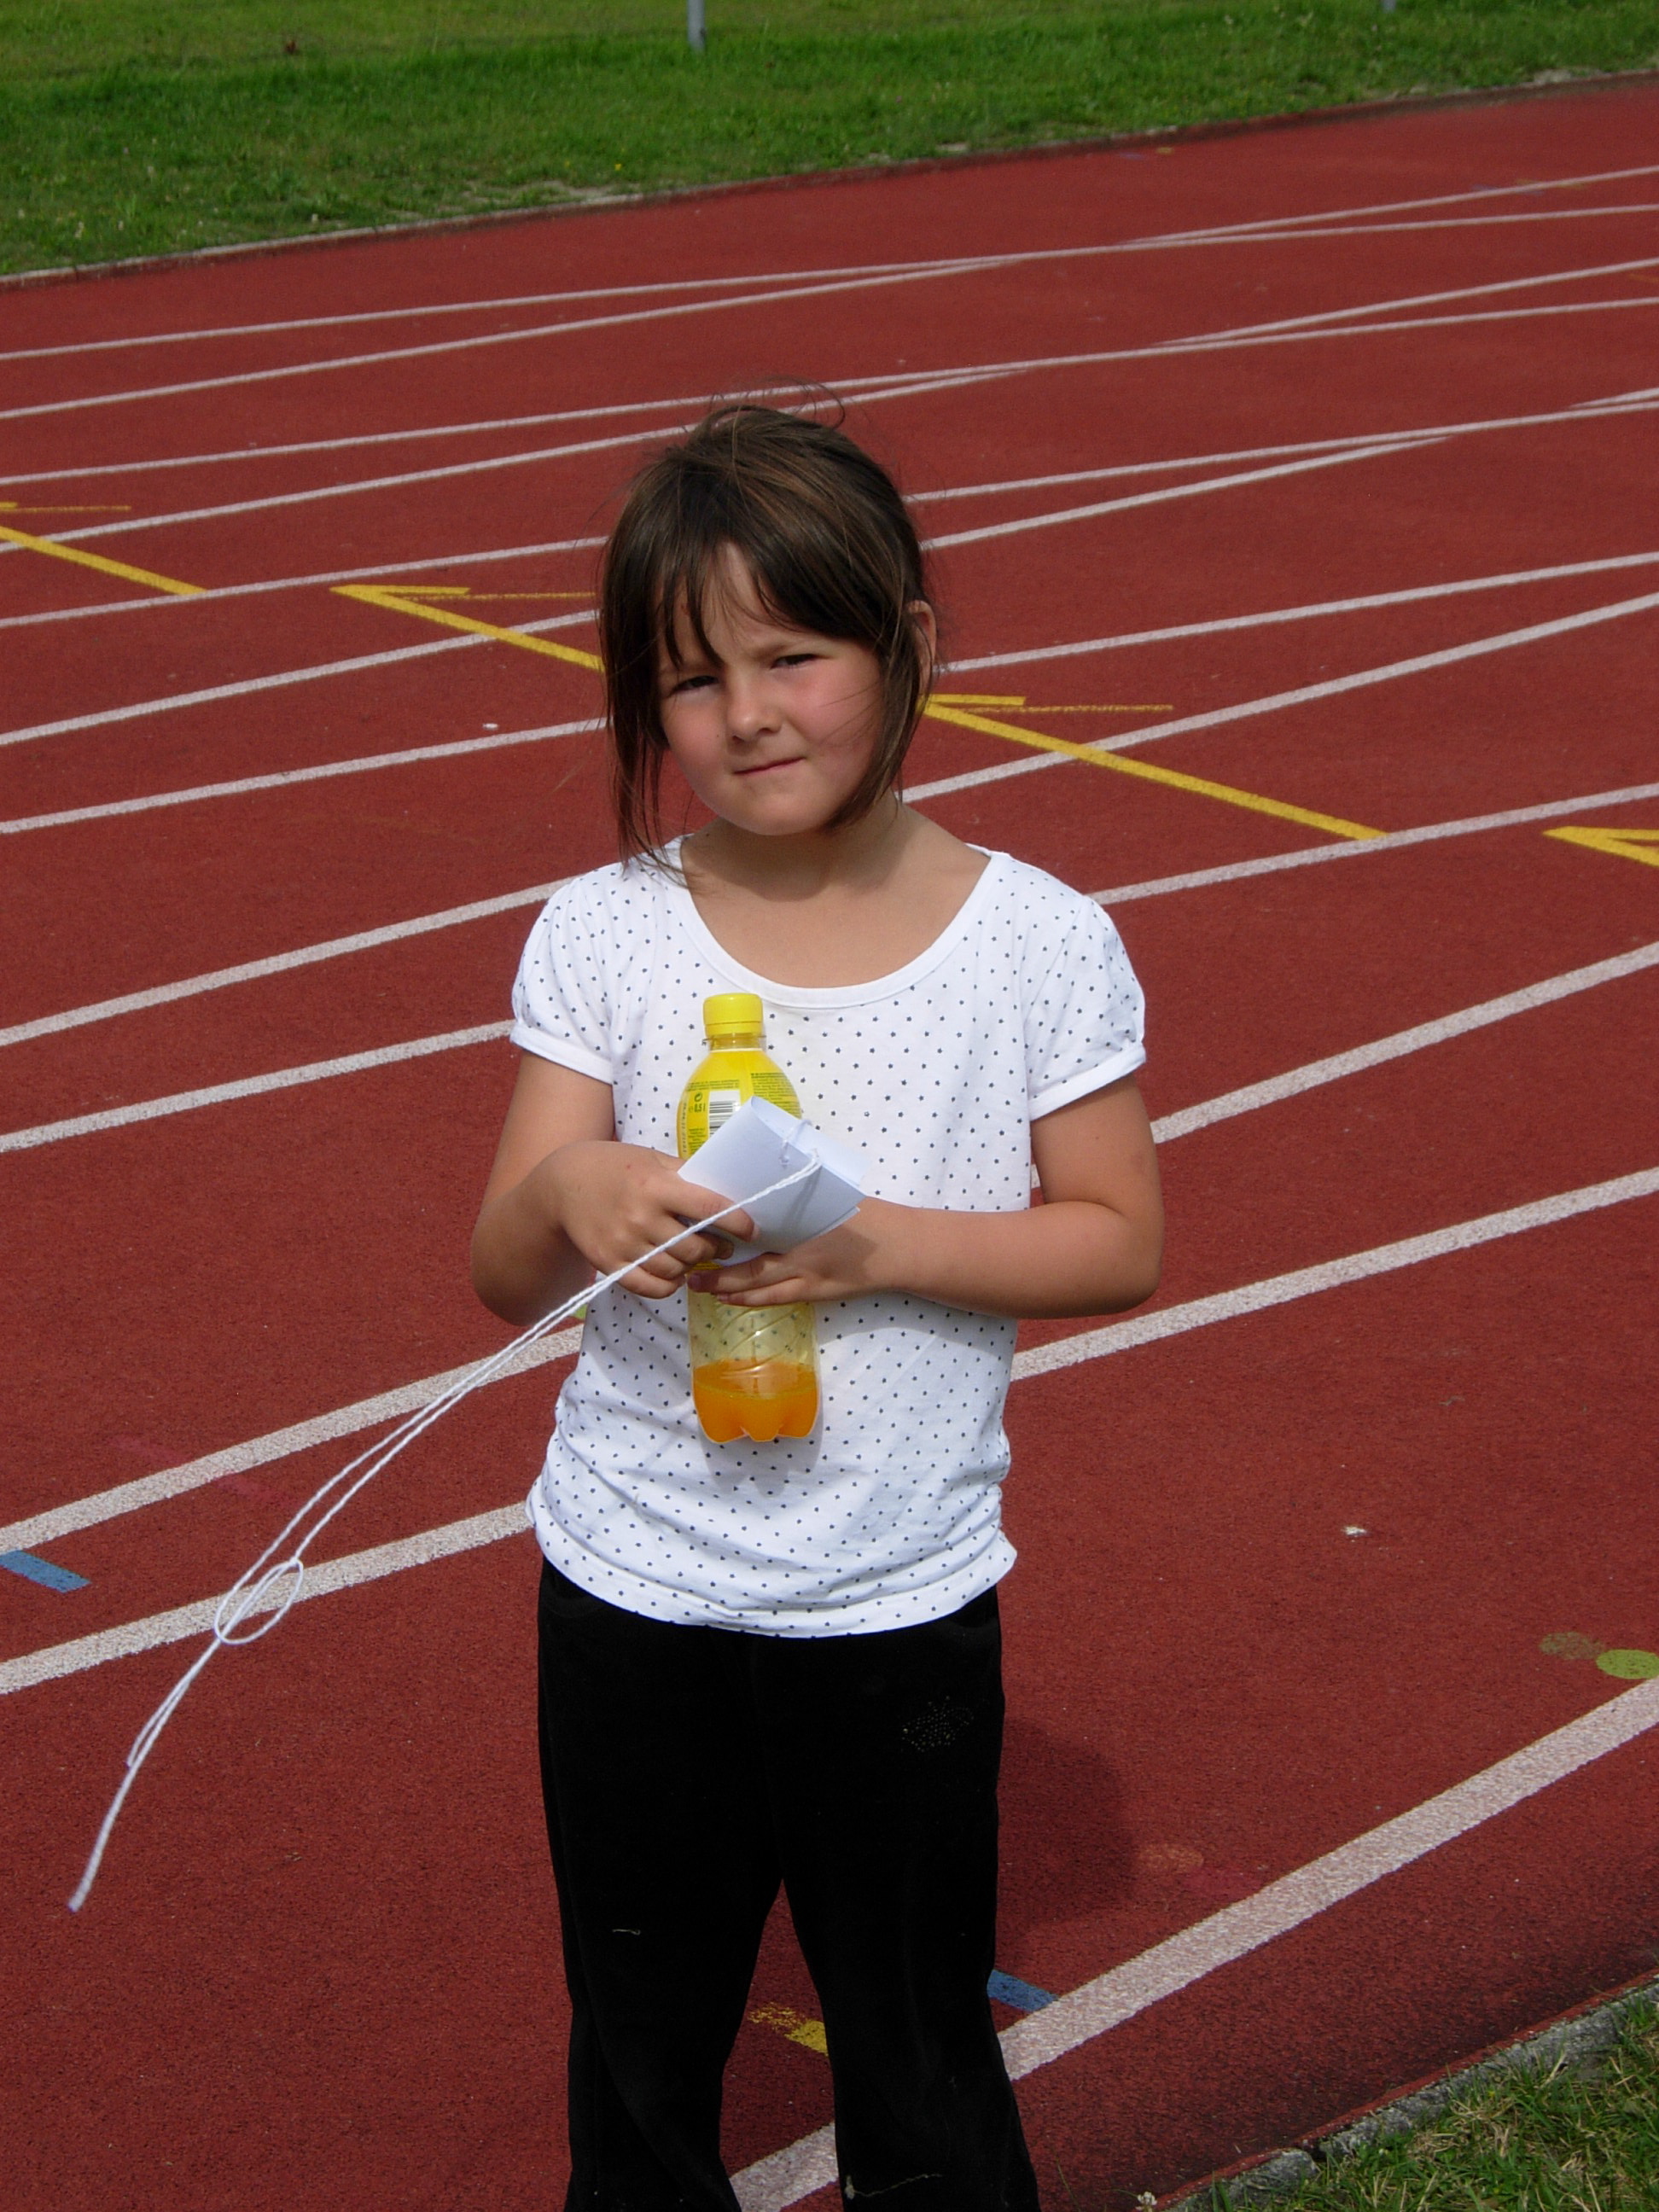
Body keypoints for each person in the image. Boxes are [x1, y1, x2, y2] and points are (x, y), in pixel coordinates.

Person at [470, 404, 1164, 2210]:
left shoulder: (1036, 940)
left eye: (795, 656)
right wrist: (572, 1192)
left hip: (895, 1598)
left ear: (907, 642)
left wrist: (873, 1249)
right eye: (692, 680)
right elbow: (500, 1265)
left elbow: (1116, 1240)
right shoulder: (607, 929)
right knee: (642, 2054)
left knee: (919, 2057)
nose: (749, 716)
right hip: (635, 1587)